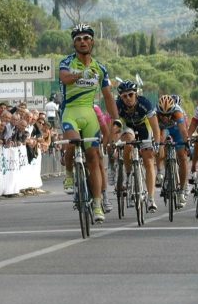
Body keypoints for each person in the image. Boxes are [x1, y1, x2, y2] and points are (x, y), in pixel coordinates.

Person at [59, 23, 119, 223]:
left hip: (90, 113)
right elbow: (65, 78)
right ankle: (69, 174)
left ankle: (97, 203)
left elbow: (108, 97)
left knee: (94, 157)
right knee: (73, 142)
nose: (83, 42)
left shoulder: (100, 68)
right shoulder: (67, 62)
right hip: (71, 111)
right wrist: (80, 75)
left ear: (92, 41)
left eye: (86, 38)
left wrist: (116, 121)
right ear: (74, 43)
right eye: (78, 39)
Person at [115, 80, 161, 212]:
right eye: (124, 96)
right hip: (127, 126)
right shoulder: (118, 105)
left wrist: (156, 144)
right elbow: (114, 125)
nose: (128, 98)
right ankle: (128, 173)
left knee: (148, 159)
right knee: (128, 143)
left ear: (136, 94)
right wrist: (113, 142)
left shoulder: (145, 103)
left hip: (143, 126)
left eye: (130, 94)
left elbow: (155, 127)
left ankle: (151, 198)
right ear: (120, 97)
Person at [155, 94, 190, 207]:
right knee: (160, 145)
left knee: (182, 157)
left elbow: (183, 131)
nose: (165, 117)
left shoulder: (177, 112)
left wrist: (186, 143)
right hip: (163, 129)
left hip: (176, 129)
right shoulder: (155, 113)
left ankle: (181, 190)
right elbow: (155, 133)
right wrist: (158, 145)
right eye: (162, 115)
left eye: (168, 115)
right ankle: (161, 173)